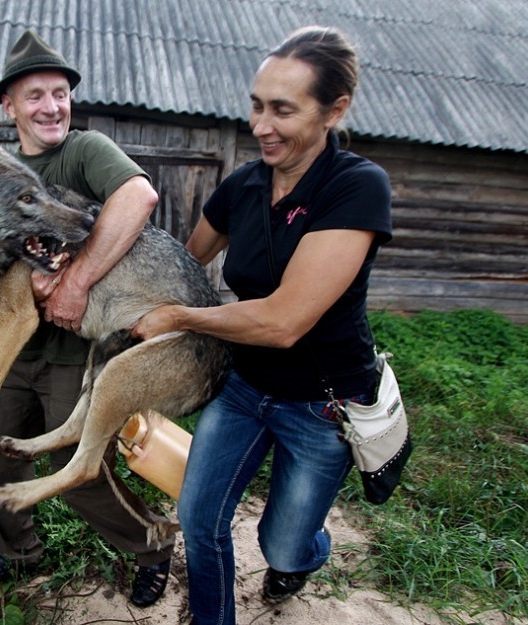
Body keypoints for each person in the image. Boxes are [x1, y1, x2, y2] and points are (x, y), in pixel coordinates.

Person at [131, 26, 392, 624]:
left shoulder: (355, 187)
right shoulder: (244, 186)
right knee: (200, 519)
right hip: (245, 387)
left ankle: (303, 556)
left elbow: (283, 322)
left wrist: (176, 316)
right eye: (256, 104)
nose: (261, 124)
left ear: (335, 110)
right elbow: (183, 262)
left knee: (283, 545)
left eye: (282, 109)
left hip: (322, 402)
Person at [0, 29, 174, 608]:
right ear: (9, 106)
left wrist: (75, 282)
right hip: (17, 350)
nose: (51, 106)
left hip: (79, 352)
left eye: (60, 92)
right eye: (35, 95)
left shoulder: (83, 151)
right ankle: (16, 555)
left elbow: (138, 196)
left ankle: (152, 543)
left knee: (75, 469)